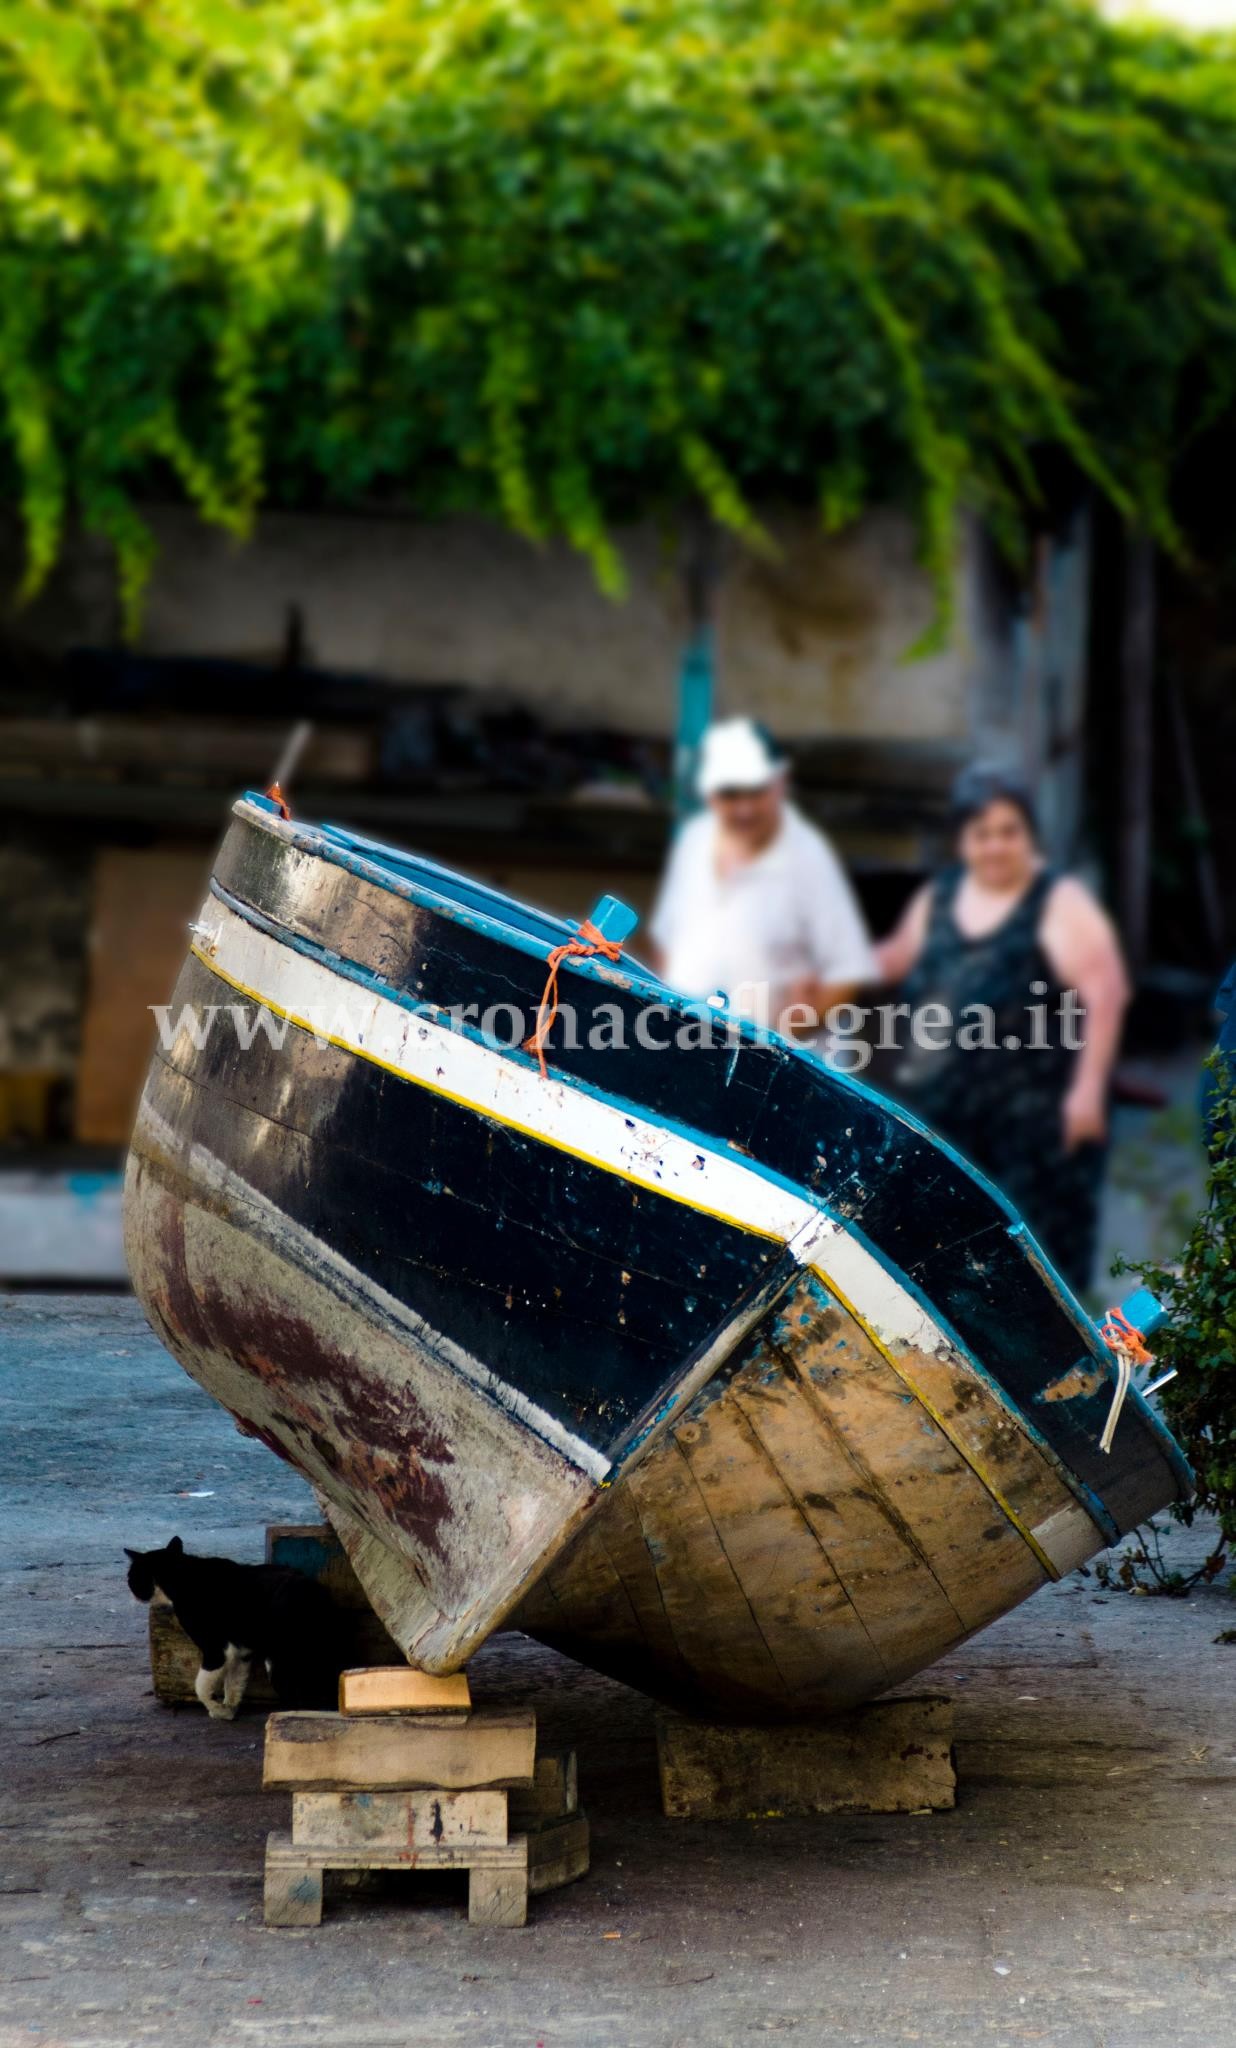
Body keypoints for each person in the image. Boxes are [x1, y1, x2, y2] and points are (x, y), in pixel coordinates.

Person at [874, 764, 1130, 1294]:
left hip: (1037, 1126)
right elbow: (894, 958)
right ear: (962, 840)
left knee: (1031, 1274)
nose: (995, 847)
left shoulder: (1058, 901)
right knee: (946, 1257)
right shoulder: (942, 896)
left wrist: (1086, 1094)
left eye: (1008, 832)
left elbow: (1106, 993)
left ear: (1028, 834)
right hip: (951, 1113)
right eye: (981, 834)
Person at [649, 717, 875, 1042]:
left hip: (776, 1069)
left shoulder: (808, 857)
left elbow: (844, 978)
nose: (744, 809)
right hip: (689, 1049)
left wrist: (768, 1043)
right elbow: (666, 945)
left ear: (780, 783)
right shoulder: (695, 840)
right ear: (710, 793)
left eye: (755, 791)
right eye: (730, 793)